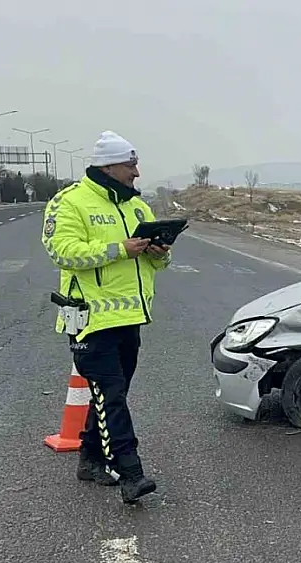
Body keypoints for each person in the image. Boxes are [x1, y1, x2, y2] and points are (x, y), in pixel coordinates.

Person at [40, 130, 172, 504]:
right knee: (111, 395)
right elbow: (62, 252)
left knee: (112, 394)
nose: (137, 172)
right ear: (109, 166)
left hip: (129, 317)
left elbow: (158, 264)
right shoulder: (70, 202)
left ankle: (91, 458)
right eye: (131, 165)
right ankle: (131, 473)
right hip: (88, 320)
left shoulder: (137, 207)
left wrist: (159, 251)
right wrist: (120, 248)